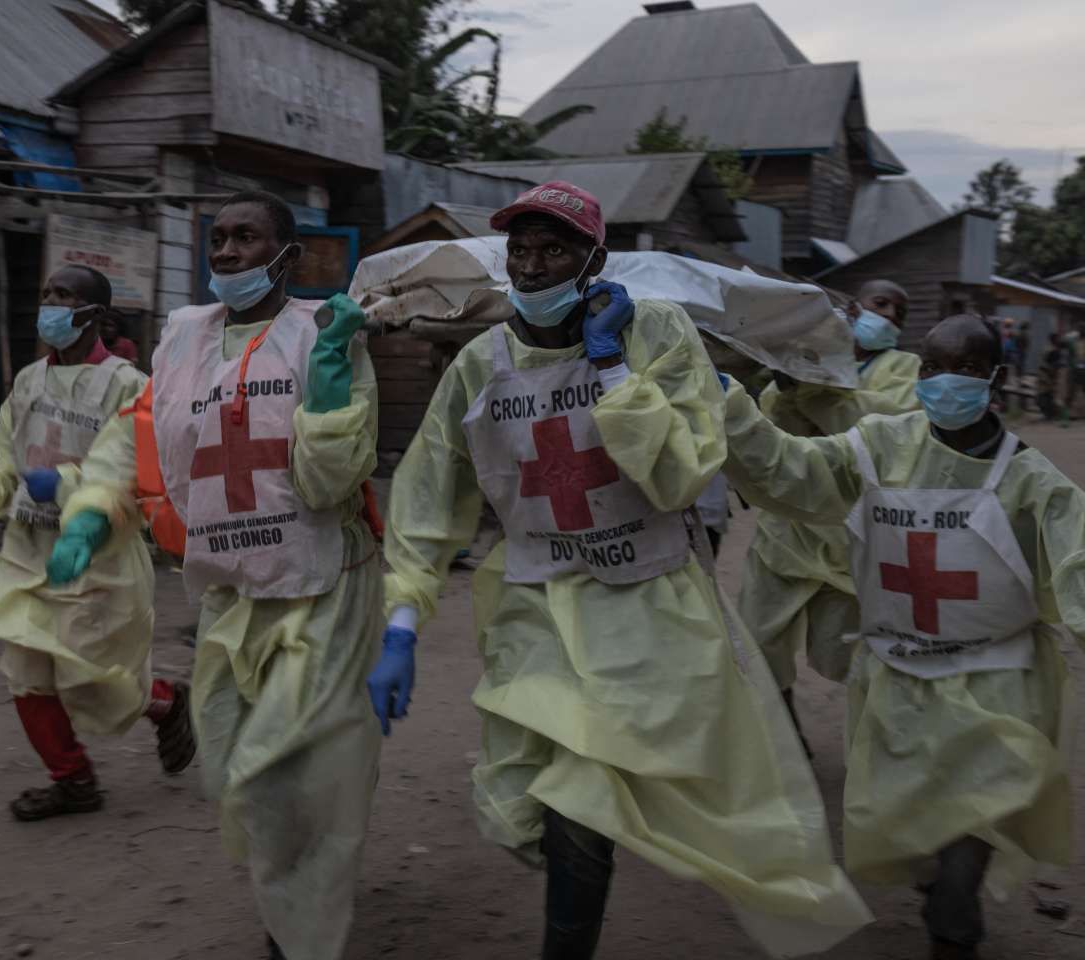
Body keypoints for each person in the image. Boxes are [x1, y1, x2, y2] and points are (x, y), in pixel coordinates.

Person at [369, 181, 871, 959]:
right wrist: (402, 622)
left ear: (594, 260)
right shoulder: (478, 365)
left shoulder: (657, 334)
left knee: (589, 800)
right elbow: (431, 496)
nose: (533, 267)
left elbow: (675, 476)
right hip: (536, 610)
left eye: (555, 250)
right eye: (521, 252)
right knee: (540, 801)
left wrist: (608, 368)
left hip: (650, 610)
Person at [66, 191, 380, 960]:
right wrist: (92, 509)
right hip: (228, 593)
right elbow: (135, 434)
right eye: (220, 238)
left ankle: (297, 935)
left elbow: (330, 482)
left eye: (248, 237)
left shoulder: (322, 335)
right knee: (234, 769)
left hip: (321, 589)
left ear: (287, 255)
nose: (228, 251)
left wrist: (333, 388)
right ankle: (296, 889)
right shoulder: (182, 342)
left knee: (284, 772)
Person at [720, 314, 1084, 960]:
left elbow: (1076, 561)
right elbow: (789, 468)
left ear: (994, 378)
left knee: (975, 814)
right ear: (919, 374)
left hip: (995, 678)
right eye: (936, 367)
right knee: (910, 825)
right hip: (897, 675)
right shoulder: (878, 445)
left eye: (968, 369)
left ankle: (955, 923)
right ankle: (944, 890)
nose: (950, 382)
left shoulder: (1032, 480)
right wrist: (723, 400)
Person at [0, 264, 194, 822]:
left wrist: (65, 484)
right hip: (27, 551)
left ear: (96, 314)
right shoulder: (28, 383)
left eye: (64, 295)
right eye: (46, 293)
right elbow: (8, 463)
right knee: (27, 674)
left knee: (95, 679)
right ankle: (73, 780)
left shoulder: (128, 387)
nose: (50, 304)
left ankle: (164, 703)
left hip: (100, 560)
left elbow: (138, 478)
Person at [735, 280, 920, 740]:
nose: (890, 316)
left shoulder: (902, 367)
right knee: (757, 640)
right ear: (853, 308)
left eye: (899, 312)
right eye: (882, 303)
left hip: (850, 534)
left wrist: (817, 390)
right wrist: (787, 387)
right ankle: (783, 735)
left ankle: (882, 744)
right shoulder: (805, 357)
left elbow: (885, 426)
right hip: (786, 530)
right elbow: (772, 435)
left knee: (847, 651)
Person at [1036, 333, 1065, 421]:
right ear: (1053, 340)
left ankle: (1050, 415)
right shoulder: (1052, 350)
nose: (1058, 340)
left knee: (1047, 395)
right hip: (1046, 375)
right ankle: (1049, 415)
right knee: (1045, 395)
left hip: (1047, 376)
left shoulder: (1050, 349)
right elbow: (1051, 365)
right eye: (1057, 339)